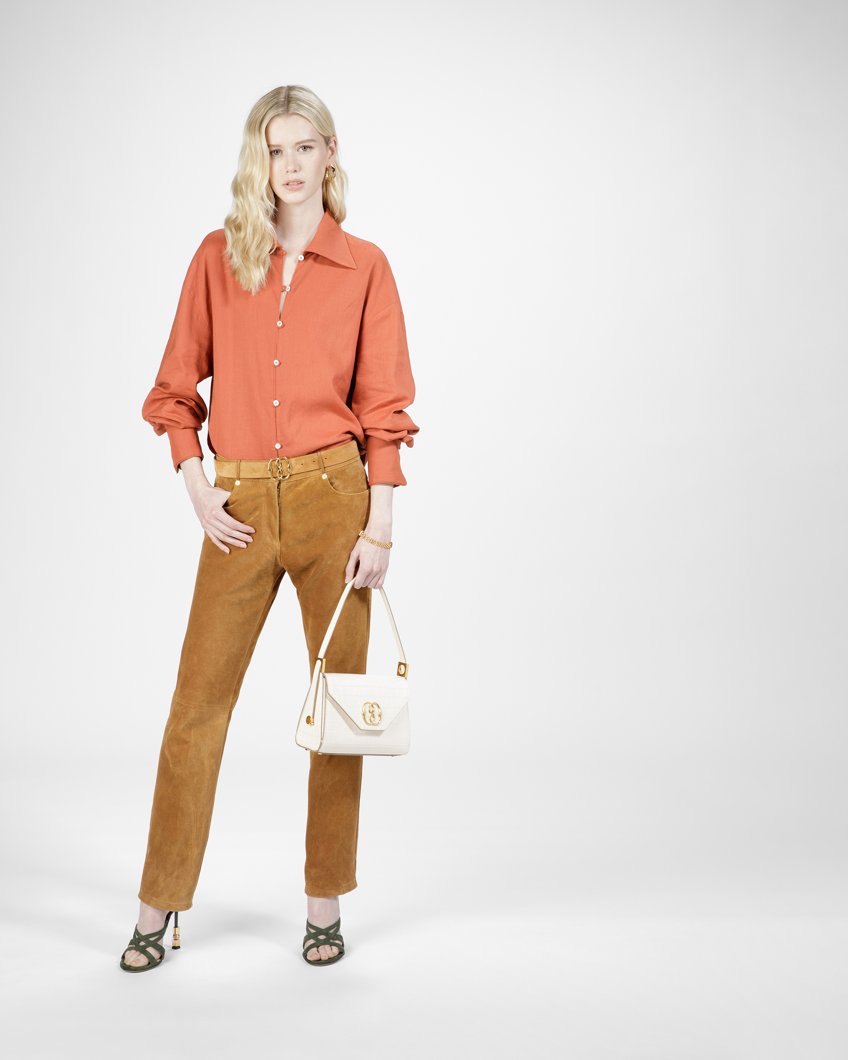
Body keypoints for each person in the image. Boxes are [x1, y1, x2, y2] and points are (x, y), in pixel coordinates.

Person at [119, 84, 419, 971]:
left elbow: (385, 406)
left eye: (304, 147)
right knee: (195, 710)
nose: (289, 166)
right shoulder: (218, 258)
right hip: (239, 509)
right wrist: (196, 486)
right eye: (274, 150)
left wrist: (380, 525)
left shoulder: (366, 268)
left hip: (336, 502)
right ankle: (158, 905)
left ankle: (324, 902)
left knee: (339, 711)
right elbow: (174, 390)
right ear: (260, 160)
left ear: (331, 154)